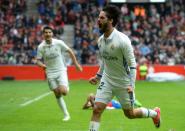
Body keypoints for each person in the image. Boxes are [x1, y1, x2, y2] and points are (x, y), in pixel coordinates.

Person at [88, 5, 161, 131]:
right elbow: (105, 60)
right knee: (96, 109)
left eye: (102, 18)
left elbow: (132, 64)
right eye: (98, 17)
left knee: (130, 114)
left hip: (123, 83)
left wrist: (131, 85)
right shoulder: (100, 40)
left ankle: (154, 114)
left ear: (110, 20)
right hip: (107, 80)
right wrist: (98, 76)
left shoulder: (122, 40)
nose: (98, 20)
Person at [34, 26, 82, 121]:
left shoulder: (59, 43)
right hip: (50, 72)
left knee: (63, 92)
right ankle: (66, 115)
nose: (48, 34)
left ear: (52, 34)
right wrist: (41, 65)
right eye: (46, 32)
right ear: (43, 34)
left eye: (49, 32)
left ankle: (66, 86)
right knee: (57, 94)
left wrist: (76, 64)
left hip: (61, 70)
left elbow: (70, 51)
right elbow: (37, 60)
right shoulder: (41, 47)